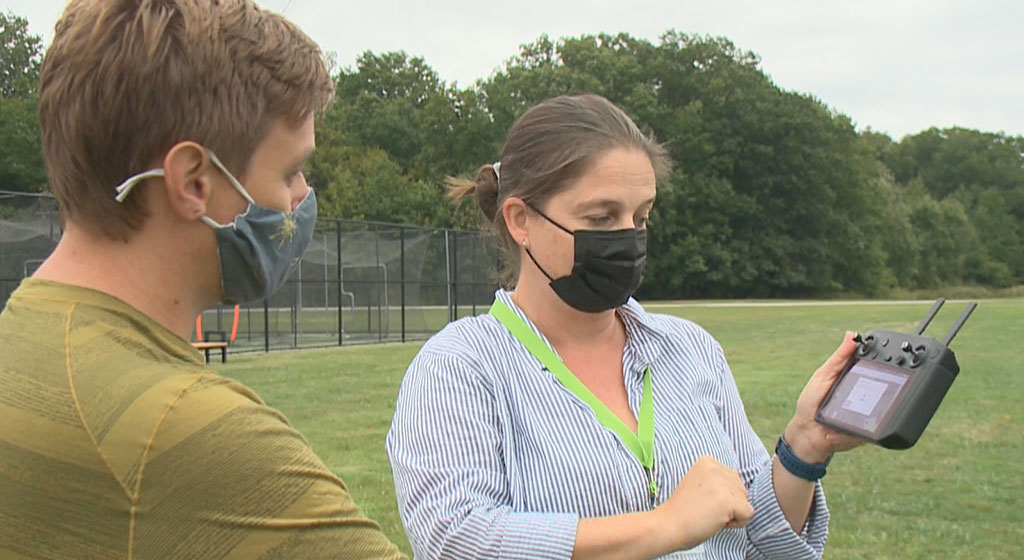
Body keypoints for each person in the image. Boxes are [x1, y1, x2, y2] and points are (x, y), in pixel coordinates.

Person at [0, 1, 405, 558]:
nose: (301, 197)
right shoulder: (189, 433)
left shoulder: (23, 330)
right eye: (289, 171)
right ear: (193, 181)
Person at [386, 94, 862, 559]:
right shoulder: (459, 367)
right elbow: (454, 537)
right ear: (520, 220)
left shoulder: (689, 349)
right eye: (601, 217)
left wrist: (803, 447)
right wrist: (664, 526)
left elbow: (757, 532)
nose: (628, 238)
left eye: (641, 217)